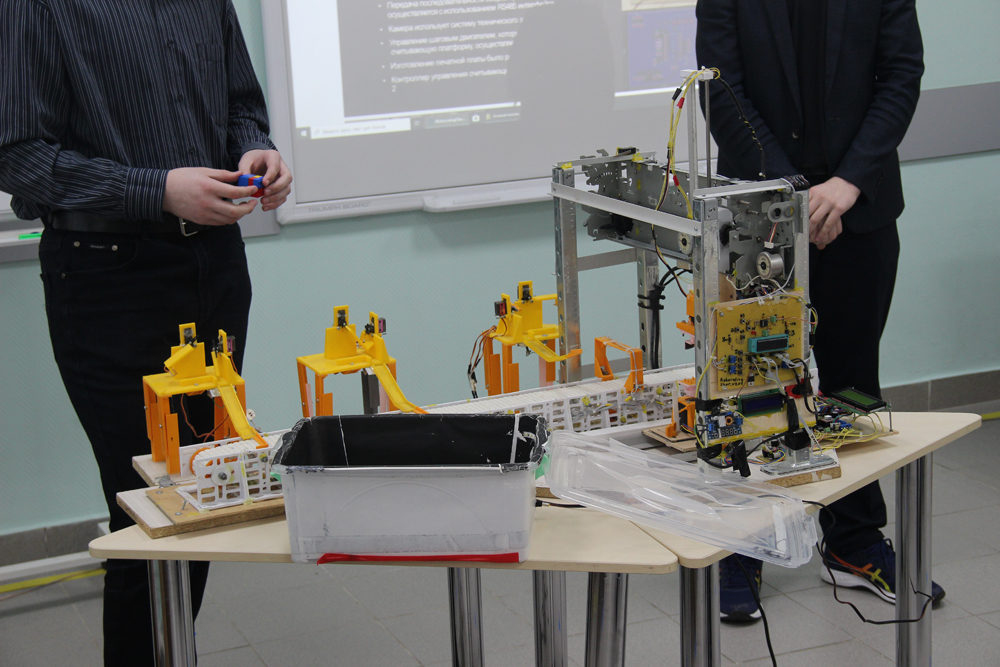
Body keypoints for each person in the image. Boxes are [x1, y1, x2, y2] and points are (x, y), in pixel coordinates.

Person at [0, 0, 292, 663]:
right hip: (107, 274)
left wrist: (257, 149)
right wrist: (154, 189)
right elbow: (16, 156)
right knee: (151, 508)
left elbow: (242, 105)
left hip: (215, 263)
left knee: (205, 491)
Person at [695, 0, 941, 621]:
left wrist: (848, 183)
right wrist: (794, 196)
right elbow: (721, 90)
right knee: (749, 385)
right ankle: (744, 544)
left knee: (853, 383)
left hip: (860, 209)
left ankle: (853, 541)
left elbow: (901, 76)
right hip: (757, 213)